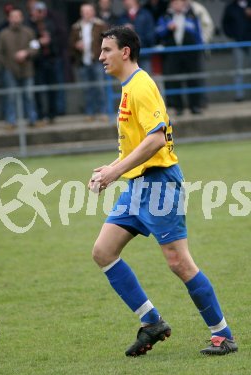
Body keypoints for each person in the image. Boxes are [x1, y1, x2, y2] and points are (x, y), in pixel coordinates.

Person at [90, 25, 238, 357]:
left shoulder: (141, 86)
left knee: (178, 262)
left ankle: (223, 335)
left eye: (106, 50)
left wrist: (116, 170)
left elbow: (157, 139)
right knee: (103, 251)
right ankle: (152, 322)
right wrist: (111, 169)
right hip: (137, 186)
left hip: (159, 184)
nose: (100, 57)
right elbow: (138, 144)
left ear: (125, 52)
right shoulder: (128, 88)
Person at [156, 0, 204, 115]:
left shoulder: (191, 16)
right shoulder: (166, 16)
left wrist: (199, 49)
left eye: (180, 3)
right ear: (171, 4)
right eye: (175, 3)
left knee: (193, 79)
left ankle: (195, 106)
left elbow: (198, 34)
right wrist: (167, 28)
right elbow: (158, 32)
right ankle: (178, 107)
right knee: (174, 80)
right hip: (172, 54)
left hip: (190, 53)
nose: (178, 5)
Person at [0, 8, 38, 128]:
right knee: (11, 97)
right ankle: (11, 120)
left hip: (27, 69)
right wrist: (7, 65)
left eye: (17, 16)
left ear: (22, 18)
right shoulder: (3, 34)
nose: (15, 19)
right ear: (9, 18)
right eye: (12, 16)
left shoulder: (29, 32)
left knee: (29, 95)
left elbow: (35, 48)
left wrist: (26, 53)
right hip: (10, 70)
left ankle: (32, 119)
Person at [69, 2, 108, 121]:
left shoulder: (100, 25)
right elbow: (70, 44)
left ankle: (102, 112)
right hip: (83, 61)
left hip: (97, 60)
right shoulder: (76, 27)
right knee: (86, 89)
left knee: (100, 87)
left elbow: (107, 41)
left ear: (93, 12)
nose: (86, 14)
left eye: (88, 11)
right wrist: (76, 45)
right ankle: (90, 113)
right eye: (84, 12)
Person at [26, 1, 62, 124]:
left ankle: (52, 114)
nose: (40, 14)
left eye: (42, 11)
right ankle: (40, 114)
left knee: (52, 88)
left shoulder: (50, 24)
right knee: (38, 90)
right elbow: (29, 43)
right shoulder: (29, 26)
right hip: (37, 62)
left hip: (50, 60)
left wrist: (50, 42)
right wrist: (40, 42)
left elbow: (58, 41)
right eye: (37, 11)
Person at [222, 0, 251, 102]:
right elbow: (225, 24)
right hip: (238, 42)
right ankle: (239, 95)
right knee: (238, 69)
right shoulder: (230, 7)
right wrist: (232, 36)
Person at [117, 0, 155, 74]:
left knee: (145, 80)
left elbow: (151, 36)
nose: (125, 2)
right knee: (130, 82)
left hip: (144, 53)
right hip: (128, 57)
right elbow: (117, 37)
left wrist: (135, 36)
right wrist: (124, 31)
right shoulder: (122, 17)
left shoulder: (146, 15)